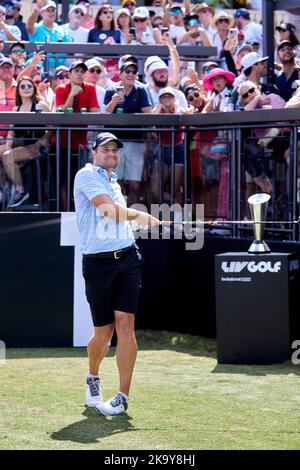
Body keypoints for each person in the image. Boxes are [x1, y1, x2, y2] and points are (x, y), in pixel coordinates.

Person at [73, 131, 160, 416]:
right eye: (106, 150)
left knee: (125, 326)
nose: (111, 154)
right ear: (94, 152)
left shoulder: (112, 181)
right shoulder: (86, 175)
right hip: (98, 265)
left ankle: (122, 397)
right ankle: (93, 375)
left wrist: (136, 226)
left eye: (115, 151)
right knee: (103, 333)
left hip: (127, 258)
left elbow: (116, 221)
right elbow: (109, 212)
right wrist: (141, 216)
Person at [1, 75, 50, 208]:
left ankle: (20, 191)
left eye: (29, 85)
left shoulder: (41, 106)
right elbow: (11, 132)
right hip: (19, 146)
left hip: (37, 147)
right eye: (22, 86)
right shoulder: (15, 109)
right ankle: (5, 192)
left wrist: (38, 144)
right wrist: (7, 146)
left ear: (34, 89)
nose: (26, 88)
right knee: (5, 153)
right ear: (18, 90)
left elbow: (51, 130)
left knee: (7, 156)